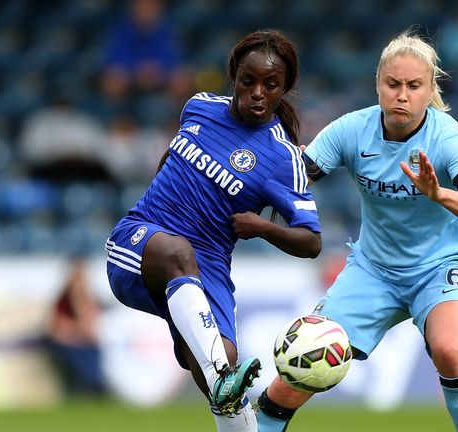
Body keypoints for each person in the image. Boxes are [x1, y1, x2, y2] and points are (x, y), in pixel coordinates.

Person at [255, 30, 458, 432]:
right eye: (393, 84)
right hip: (374, 271)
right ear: (378, 85)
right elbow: (295, 178)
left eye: (414, 86)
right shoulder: (352, 130)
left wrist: (438, 193)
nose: (402, 95)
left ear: (429, 90)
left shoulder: (450, 137)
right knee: (296, 373)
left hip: (442, 266)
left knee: (450, 351)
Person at [104, 30, 321, 432]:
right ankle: (223, 380)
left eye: (270, 85)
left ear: (284, 88)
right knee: (178, 256)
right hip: (142, 242)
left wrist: (262, 226)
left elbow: (312, 242)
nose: (257, 93)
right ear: (234, 77)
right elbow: (171, 158)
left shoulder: (283, 158)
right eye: (248, 81)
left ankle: (227, 395)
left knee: (223, 362)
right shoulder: (199, 106)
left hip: (208, 267)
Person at [46, 257, 106, 396]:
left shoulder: (90, 298)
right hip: (70, 346)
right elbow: (57, 331)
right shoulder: (62, 301)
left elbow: (90, 330)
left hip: (86, 346)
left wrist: (79, 299)